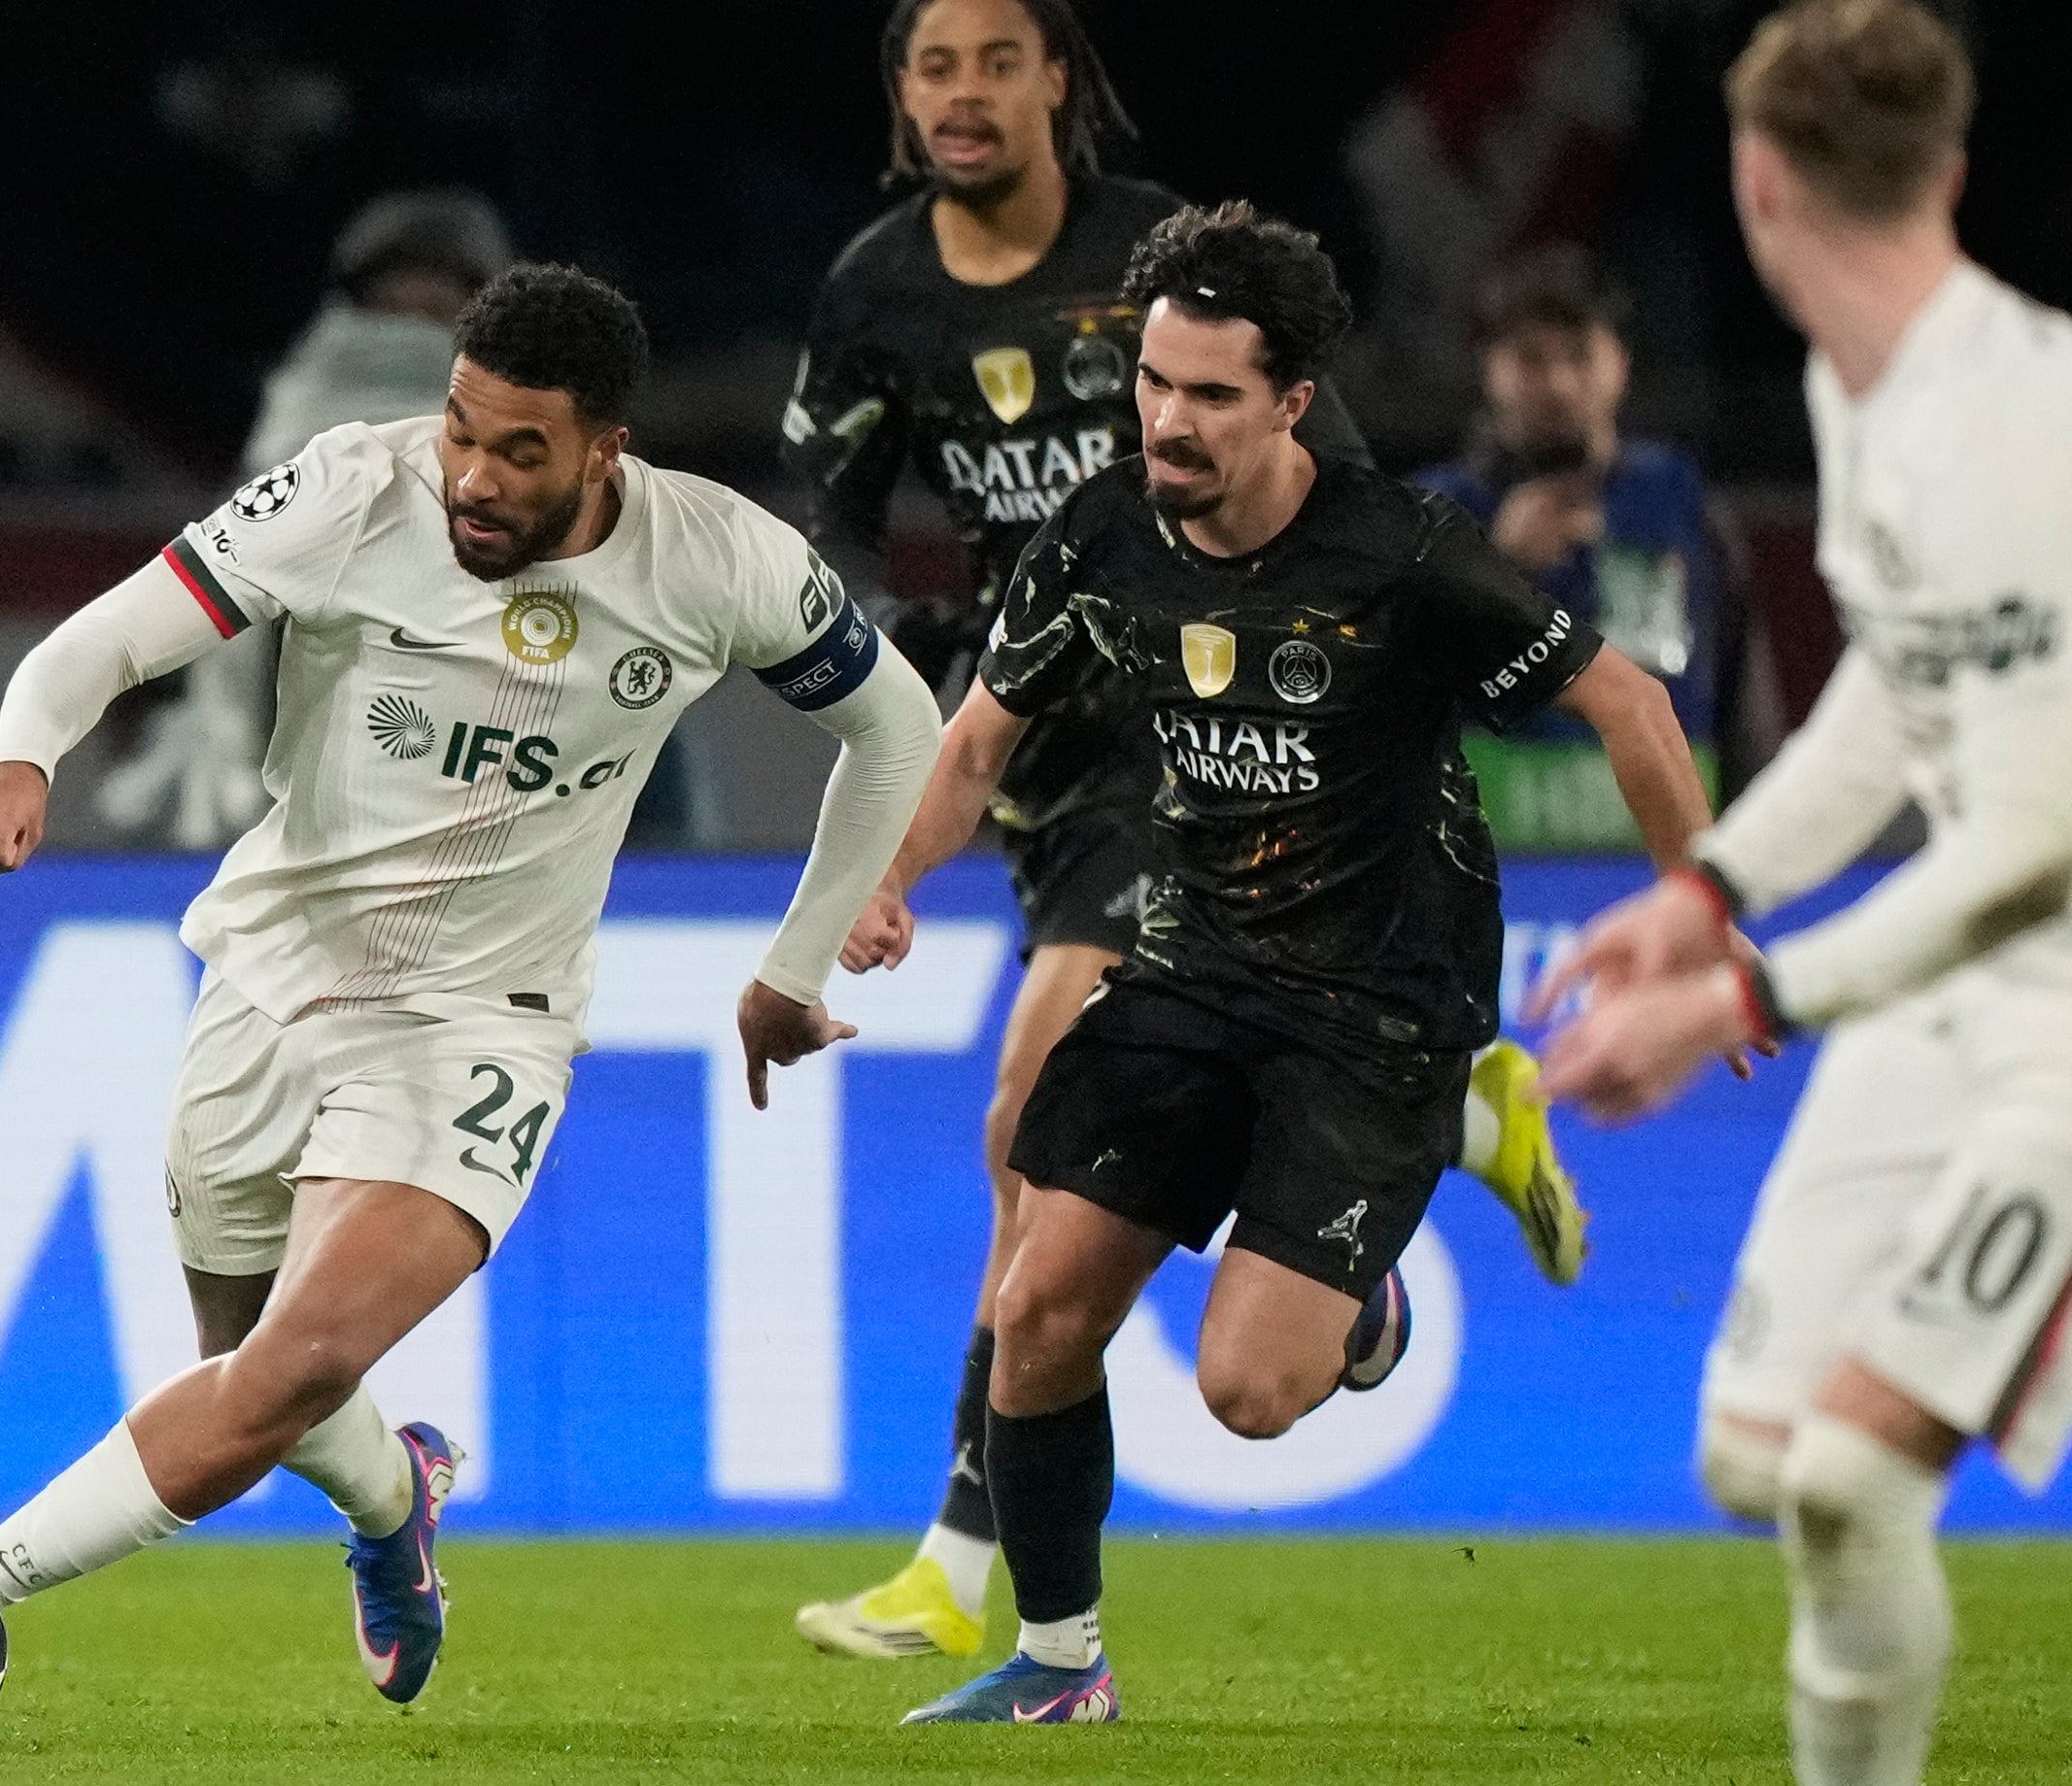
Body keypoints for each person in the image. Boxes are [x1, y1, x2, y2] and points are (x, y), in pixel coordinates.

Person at [0, 264, 940, 1702]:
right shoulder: (349, 490)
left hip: (484, 1023)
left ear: (609, 447)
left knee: (282, 1371)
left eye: (519, 448)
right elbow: (102, 637)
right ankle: (396, 1502)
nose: (471, 473)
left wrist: (790, 968)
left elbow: (893, 729)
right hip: (270, 985)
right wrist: (22, 750)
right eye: (461, 428)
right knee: (255, 1380)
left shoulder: (717, 559)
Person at [784, 0, 1590, 1667]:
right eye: (930, 63)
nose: (961, 91)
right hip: (1033, 749)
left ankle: (958, 1549)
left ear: (1059, 79)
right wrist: (903, 673)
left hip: (1192, 741)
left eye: (997, 58)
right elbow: (830, 526)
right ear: (896, 92)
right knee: (1053, 1119)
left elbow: (1328, 510)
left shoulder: (1163, 258)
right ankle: (1407, 1169)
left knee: (1030, 1094)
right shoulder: (873, 289)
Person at [860, 202, 1713, 1724]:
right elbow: (980, 732)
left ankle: (1383, 1254)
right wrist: (889, 880)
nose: (1167, 423)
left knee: (1249, 1394)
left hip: (1380, 1002)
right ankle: (1060, 1665)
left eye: (1209, 396)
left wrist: (1704, 918)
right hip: (1190, 966)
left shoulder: (1402, 556)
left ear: (1291, 400)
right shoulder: (1105, 531)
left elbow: (1633, 704)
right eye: (1152, 383)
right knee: (1040, 1300)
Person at [1531, 6, 2072, 1783]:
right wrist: (1712, 886)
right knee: (1764, 1456)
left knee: (1848, 1471)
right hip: (1957, 985)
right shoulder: (1870, 388)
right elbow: (1892, 689)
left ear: (1756, 183)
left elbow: (2025, 846)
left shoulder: (2015, 432)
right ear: (1948, 171)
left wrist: (1735, 996)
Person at [97, 188, 516, 849]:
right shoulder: (269, 454)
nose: (404, 334)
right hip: (270, 820)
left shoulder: (552, 493)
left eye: (435, 311)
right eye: (388, 309)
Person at [1415, 245, 1750, 848]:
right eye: (1531, 359)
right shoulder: (1437, 512)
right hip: (1495, 849)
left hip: (1664, 840)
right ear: (1490, 367)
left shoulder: (1679, 499)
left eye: (1579, 356)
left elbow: (1742, 681)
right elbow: (1392, 697)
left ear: (1619, 361)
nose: (1559, 384)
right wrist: (1498, 569)